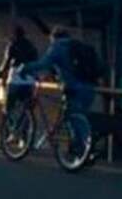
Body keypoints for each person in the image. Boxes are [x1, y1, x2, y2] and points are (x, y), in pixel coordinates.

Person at [18, 26, 95, 155]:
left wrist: (25, 68)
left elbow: (43, 63)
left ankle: (84, 149)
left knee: (74, 118)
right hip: (89, 88)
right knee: (79, 117)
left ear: (53, 38)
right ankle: (79, 151)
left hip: (73, 87)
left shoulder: (58, 47)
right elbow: (60, 66)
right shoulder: (77, 45)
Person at [0, 24, 38, 114]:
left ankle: (9, 123)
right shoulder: (31, 46)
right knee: (27, 108)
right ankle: (27, 125)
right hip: (29, 80)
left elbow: (7, 62)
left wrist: (0, 73)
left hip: (15, 79)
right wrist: (36, 76)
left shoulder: (12, 45)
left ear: (14, 35)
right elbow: (36, 62)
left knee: (9, 106)